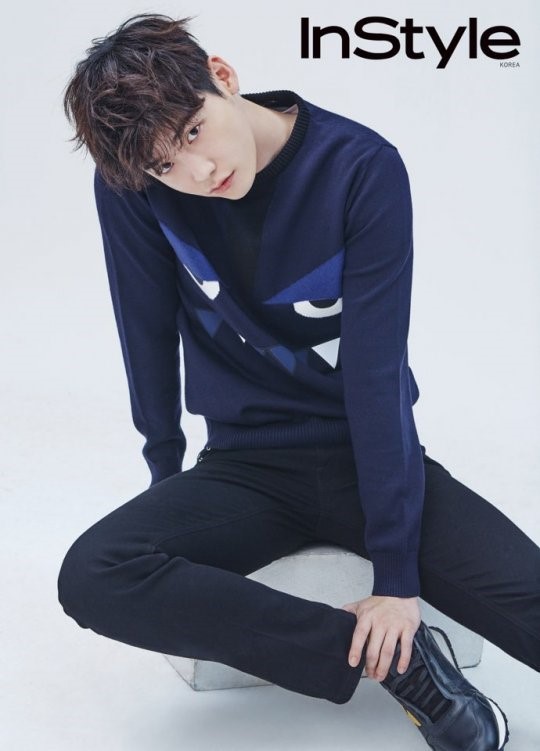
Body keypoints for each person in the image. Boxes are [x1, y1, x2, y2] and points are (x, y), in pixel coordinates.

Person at [57, 12, 538, 750]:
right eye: (165, 167)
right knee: (94, 575)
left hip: (368, 457)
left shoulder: (359, 166)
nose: (197, 171)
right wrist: (165, 484)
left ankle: (394, 635)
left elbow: (375, 373)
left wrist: (397, 582)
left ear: (223, 76)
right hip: (244, 469)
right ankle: (403, 666)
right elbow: (143, 332)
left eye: (193, 131)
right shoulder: (131, 186)